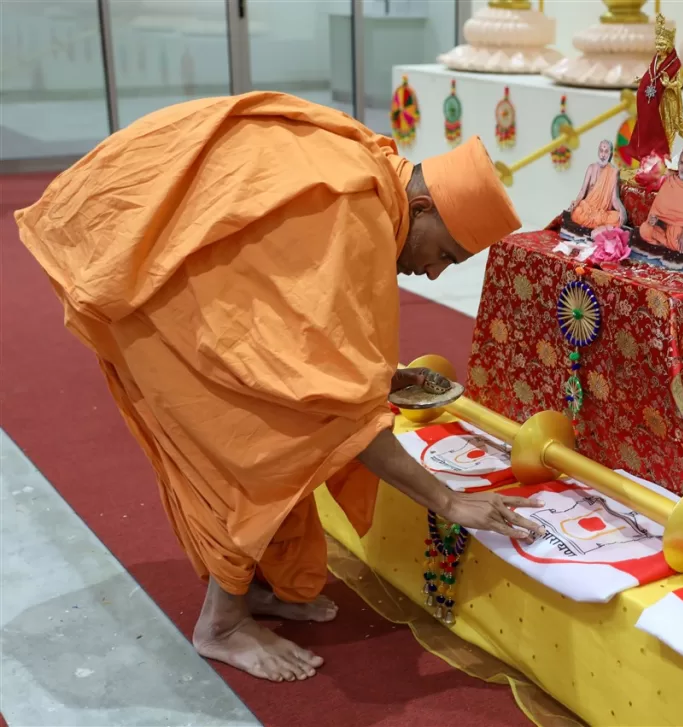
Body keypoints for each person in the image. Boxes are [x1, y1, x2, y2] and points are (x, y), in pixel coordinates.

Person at [15, 92, 546, 684]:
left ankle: (254, 585)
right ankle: (220, 623)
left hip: (162, 254)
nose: (433, 273)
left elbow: (301, 332)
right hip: (141, 270)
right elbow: (337, 405)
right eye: (444, 254)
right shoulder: (359, 212)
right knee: (261, 437)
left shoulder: (365, 161)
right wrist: (450, 501)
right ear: (419, 208)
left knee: (289, 409)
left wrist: (379, 379)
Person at [620, 13, 683, 165]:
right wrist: (642, 80)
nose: (659, 47)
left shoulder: (674, 64)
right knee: (648, 128)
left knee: (665, 131)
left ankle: (664, 160)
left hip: (666, 102)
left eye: (663, 44)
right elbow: (650, 74)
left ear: (669, 45)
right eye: (658, 44)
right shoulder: (655, 59)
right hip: (651, 101)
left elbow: (678, 83)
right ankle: (649, 159)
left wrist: (668, 83)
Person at [638, 149, 683, 255]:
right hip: (664, 234)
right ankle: (663, 246)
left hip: (681, 239)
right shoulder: (669, 181)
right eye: (681, 163)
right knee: (644, 229)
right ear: (678, 164)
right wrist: (654, 220)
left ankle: (676, 249)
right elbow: (657, 212)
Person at [567, 139, 627, 232]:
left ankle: (597, 227)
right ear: (598, 152)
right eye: (601, 151)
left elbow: (615, 199)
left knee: (617, 218)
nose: (603, 155)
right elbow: (583, 191)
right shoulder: (591, 168)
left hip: (601, 213)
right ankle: (600, 228)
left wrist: (622, 211)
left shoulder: (613, 172)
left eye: (606, 152)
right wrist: (575, 203)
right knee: (577, 212)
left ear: (610, 154)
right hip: (588, 209)